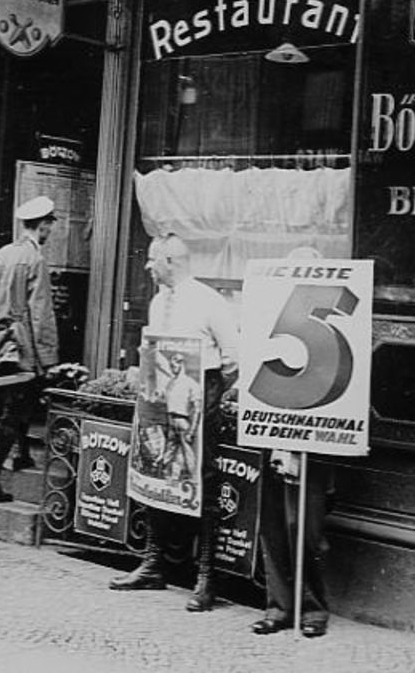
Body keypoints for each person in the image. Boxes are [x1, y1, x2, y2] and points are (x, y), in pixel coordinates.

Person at [109, 233, 238, 612]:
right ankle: (153, 563)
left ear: (171, 261)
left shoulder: (208, 301)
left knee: (202, 479)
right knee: (154, 473)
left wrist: (206, 397)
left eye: (153, 260)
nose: (148, 266)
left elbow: (232, 359)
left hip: (198, 402)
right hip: (159, 400)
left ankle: (206, 577)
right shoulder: (157, 302)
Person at [251, 245, 333, 638]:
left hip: (310, 446)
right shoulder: (274, 325)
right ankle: (279, 606)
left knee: (305, 526)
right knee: (273, 524)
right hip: (274, 438)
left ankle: (313, 610)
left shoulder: (331, 331)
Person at [0, 195, 59, 503]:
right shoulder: (35, 260)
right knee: (16, 408)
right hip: (24, 344)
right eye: (49, 224)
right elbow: (41, 314)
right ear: (43, 226)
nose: (50, 230)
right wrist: (47, 359)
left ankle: (22, 453)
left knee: (18, 400)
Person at [162, 353, 201, 480]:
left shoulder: (191, 384)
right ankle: (167, 478)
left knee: (188, 454)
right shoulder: (170, 384)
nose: (173, 367)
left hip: (183, 421)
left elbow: (197, 408)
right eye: (172, 365)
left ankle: (192, 479)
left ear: (182, 364)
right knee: (169, 453)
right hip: (171, 421)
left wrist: (192, 430)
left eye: (177, 363)